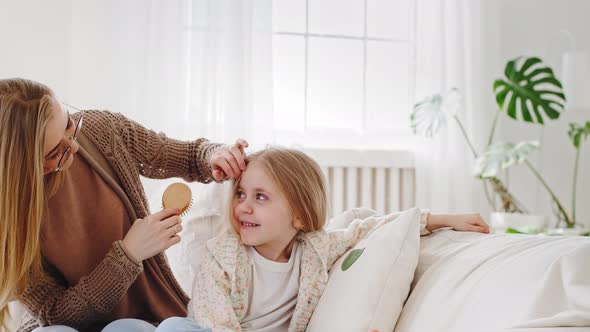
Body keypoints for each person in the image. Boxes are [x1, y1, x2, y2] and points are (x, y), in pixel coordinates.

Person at [0, 78, 248, 332]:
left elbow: (180, 154)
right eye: (55, 153)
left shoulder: (101, 130)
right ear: (21, 168)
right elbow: (55, 314)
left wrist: (215, 155)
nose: (74, 145)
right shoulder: (7, 222)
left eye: (69, 124)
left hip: (149, 318)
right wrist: (129, 255)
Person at [156, 147, 490, 332]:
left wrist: (440, 219)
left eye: (261, 197)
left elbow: (371, 228)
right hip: (213, 331)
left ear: (299, 216)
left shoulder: (315, 250)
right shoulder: (222, 258)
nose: (243, 205)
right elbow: (218, 326)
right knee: (158, 328)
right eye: (241, 194)